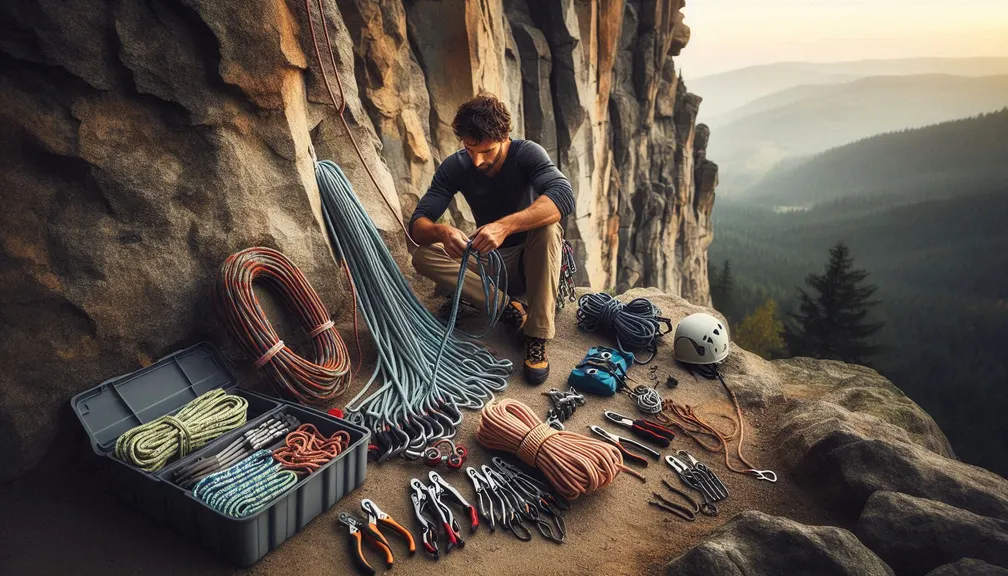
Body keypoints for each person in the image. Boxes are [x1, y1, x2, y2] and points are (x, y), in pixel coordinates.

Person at [409, 92, 575, 385]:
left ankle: (536, 335)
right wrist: (442, 231)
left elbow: (563, 197)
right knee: (423, 255)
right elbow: (417, 225)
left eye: (485, 152)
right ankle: (508, 308)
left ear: (505, 137)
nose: (476, 161)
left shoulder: (527, 154)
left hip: (530, 261)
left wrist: (505, 226)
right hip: (489, 264)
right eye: (470, 150)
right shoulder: (456, 166)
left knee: (549, 229)